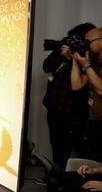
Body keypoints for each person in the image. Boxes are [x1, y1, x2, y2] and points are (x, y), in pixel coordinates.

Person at [42, 22, 96, 169]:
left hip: (72, 113)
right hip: (53, 107)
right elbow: (46, 66)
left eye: (76, 39)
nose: (72, 42)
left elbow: (78, 86)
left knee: (67, 149)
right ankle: (54, 178)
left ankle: (61, 184)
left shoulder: (89, 58)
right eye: (71, 39)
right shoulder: (64, 49)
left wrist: (73, 60)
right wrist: (60, 55)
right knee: (55, 144)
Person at [71, 27, 102, 162]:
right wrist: (75, 62)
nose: (86, 44)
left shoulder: (91, 64)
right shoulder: (95, 62)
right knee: (86, 162)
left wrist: (87, 66)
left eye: (89, 41)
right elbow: (76, 85)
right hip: (93, 122)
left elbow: (101, 90)